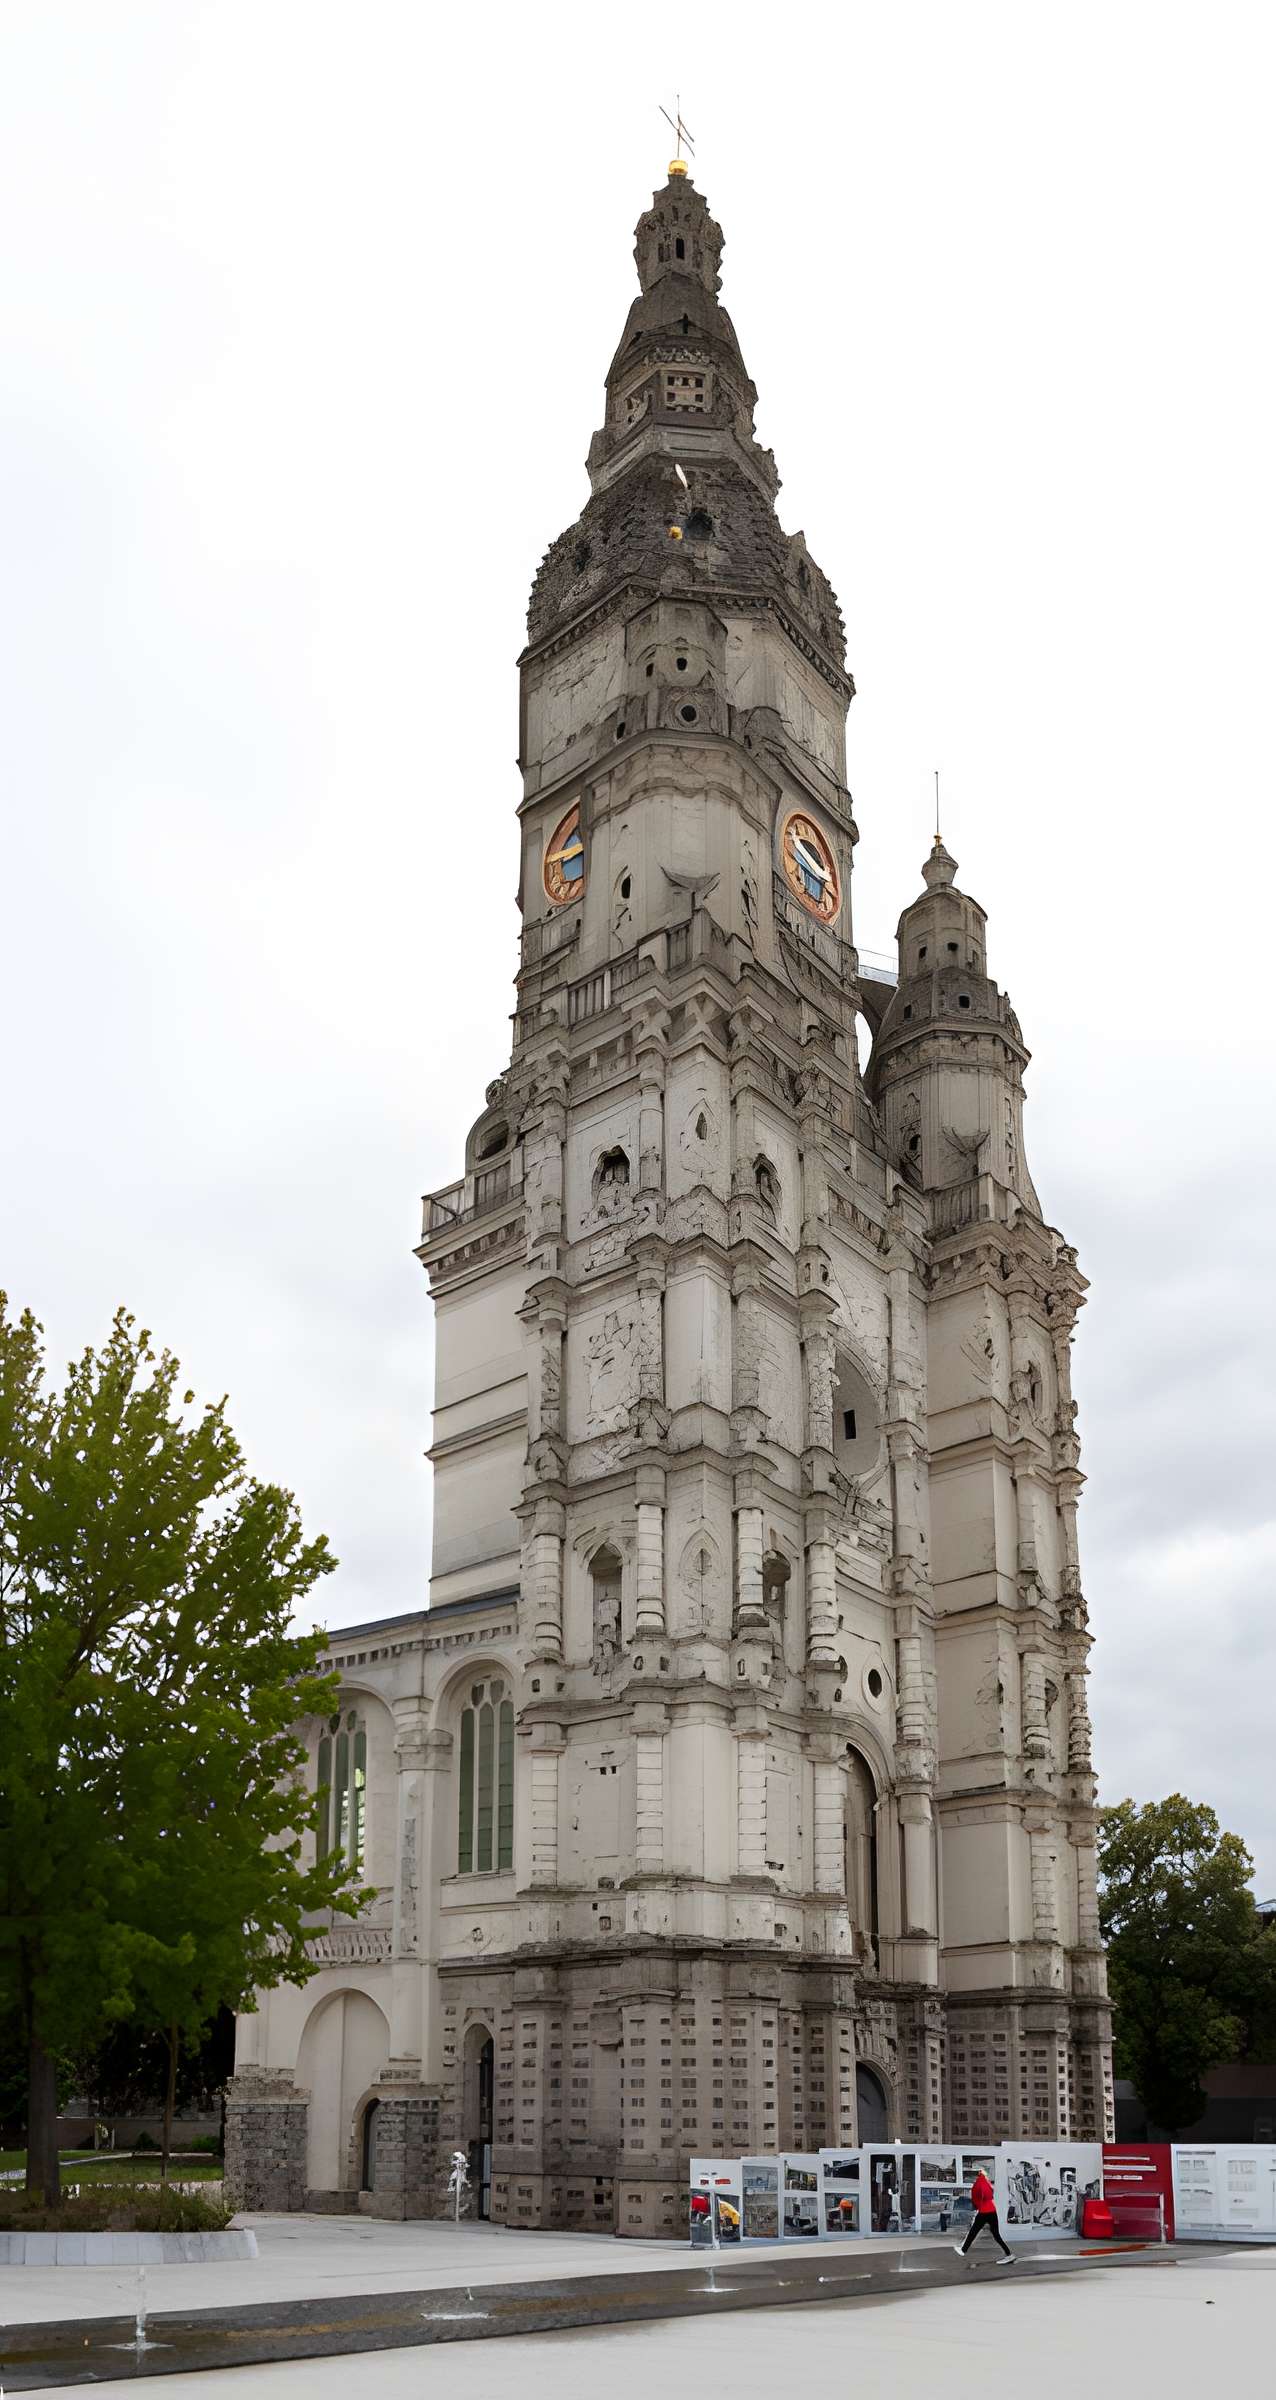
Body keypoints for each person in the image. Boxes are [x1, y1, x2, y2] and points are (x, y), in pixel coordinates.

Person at [955, 2167, 1014, 2263]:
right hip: (992, 2210)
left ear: (973, 2176)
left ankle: (963, 2250)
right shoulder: (986, 2182)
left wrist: (977, 2206)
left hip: (984, 2212)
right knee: (996, 2235)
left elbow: (976, 2200)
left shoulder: (977, 2184)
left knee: (973, 2231)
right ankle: (1009, 2255)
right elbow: (990, 2195)